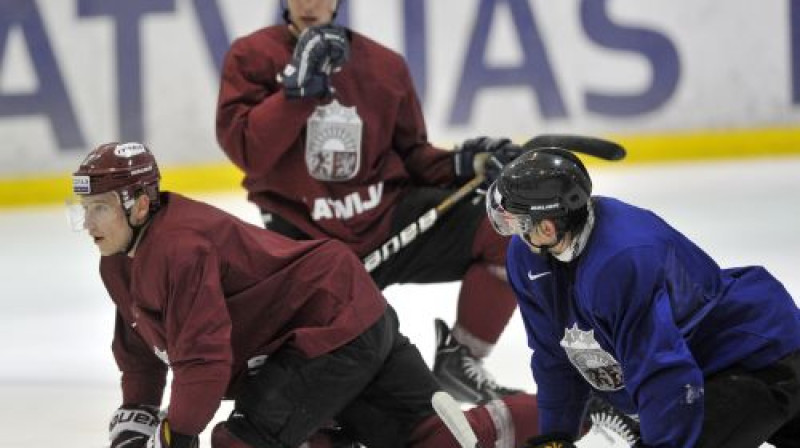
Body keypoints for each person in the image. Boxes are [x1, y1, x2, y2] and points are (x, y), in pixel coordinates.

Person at [70, 141, 540, 448]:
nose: (88, 224)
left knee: (243, 442)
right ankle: (572, 406)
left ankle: (572, 404)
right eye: (85, 209)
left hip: (328, 332)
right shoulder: (118, 261)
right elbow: (141, 346)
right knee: (436, 440)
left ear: (141, 204)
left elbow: (203, 359)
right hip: (342, 314)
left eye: (100, 208)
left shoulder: (179, 248)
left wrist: (177, 434)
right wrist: (138, 411)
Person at [215, 0, 523, 404]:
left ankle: (461, 361)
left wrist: (467, 162)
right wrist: (297, 92)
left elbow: (413, 156)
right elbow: (248, 152)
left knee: (507, 228)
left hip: (386, 221)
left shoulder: (384, 65)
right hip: (307, 243)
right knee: (339, 385)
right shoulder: (252, 55)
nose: (309, 3)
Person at [483, 146, 800, 448]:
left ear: (550, 227)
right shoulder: (527, 258)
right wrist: (556, 435)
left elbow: (661, 367)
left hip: (757, 359)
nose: (513, 232)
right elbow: (554, 354)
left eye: (518, 221)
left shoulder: (622, 259)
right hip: (698, 370)